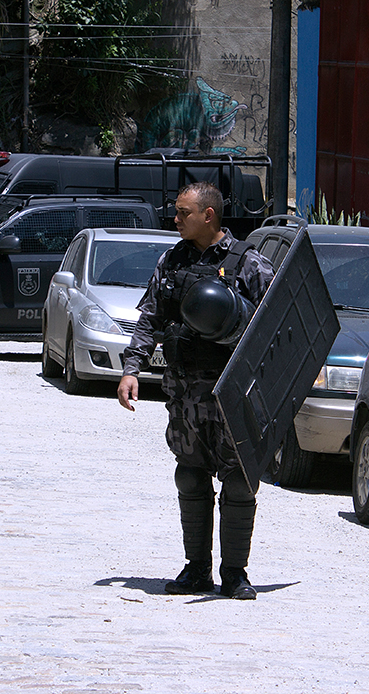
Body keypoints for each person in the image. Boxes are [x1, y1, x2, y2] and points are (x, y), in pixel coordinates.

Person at [117, 182, 273, 600]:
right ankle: (197, 569)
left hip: (230, 393)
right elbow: (149, 318)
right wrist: (132, 369)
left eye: (183, 212)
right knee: (190, 476)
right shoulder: (171, 261)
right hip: (185, 392)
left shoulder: (250, 265)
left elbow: (275, 332)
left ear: (209, 216)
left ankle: (235, 573)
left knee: (238, 481)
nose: (175, 218)